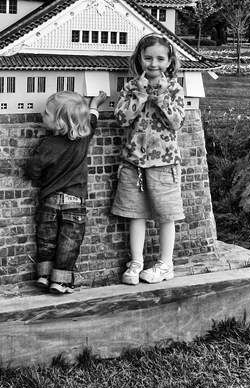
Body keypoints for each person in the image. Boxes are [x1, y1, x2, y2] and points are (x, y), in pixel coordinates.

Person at [112, 34, 186, 285]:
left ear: (169, 61)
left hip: (164, 162)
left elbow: (176, 122)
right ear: (140, 59)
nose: (153, 63)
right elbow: (121, 119)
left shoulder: (175, 88)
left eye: (160, 58)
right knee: (135, 213)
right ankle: (136, 262)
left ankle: (166, 264)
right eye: (148, 58)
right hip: (134, 161)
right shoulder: (132, 87)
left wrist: (161, 96)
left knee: (166, 215)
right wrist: (140, 96)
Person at [25, 90, 107, 294]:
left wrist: (40, 180)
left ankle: (44, 276)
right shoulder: (83, 138)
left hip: (49, 201)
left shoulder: (47, 145)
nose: (42, 115)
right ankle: (60, 282)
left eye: (46, 113)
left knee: (47, 241)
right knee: (68, 244)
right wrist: (95, 103)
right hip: (74, 201)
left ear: (60, 122)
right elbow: (93, 119)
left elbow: (32, 168)